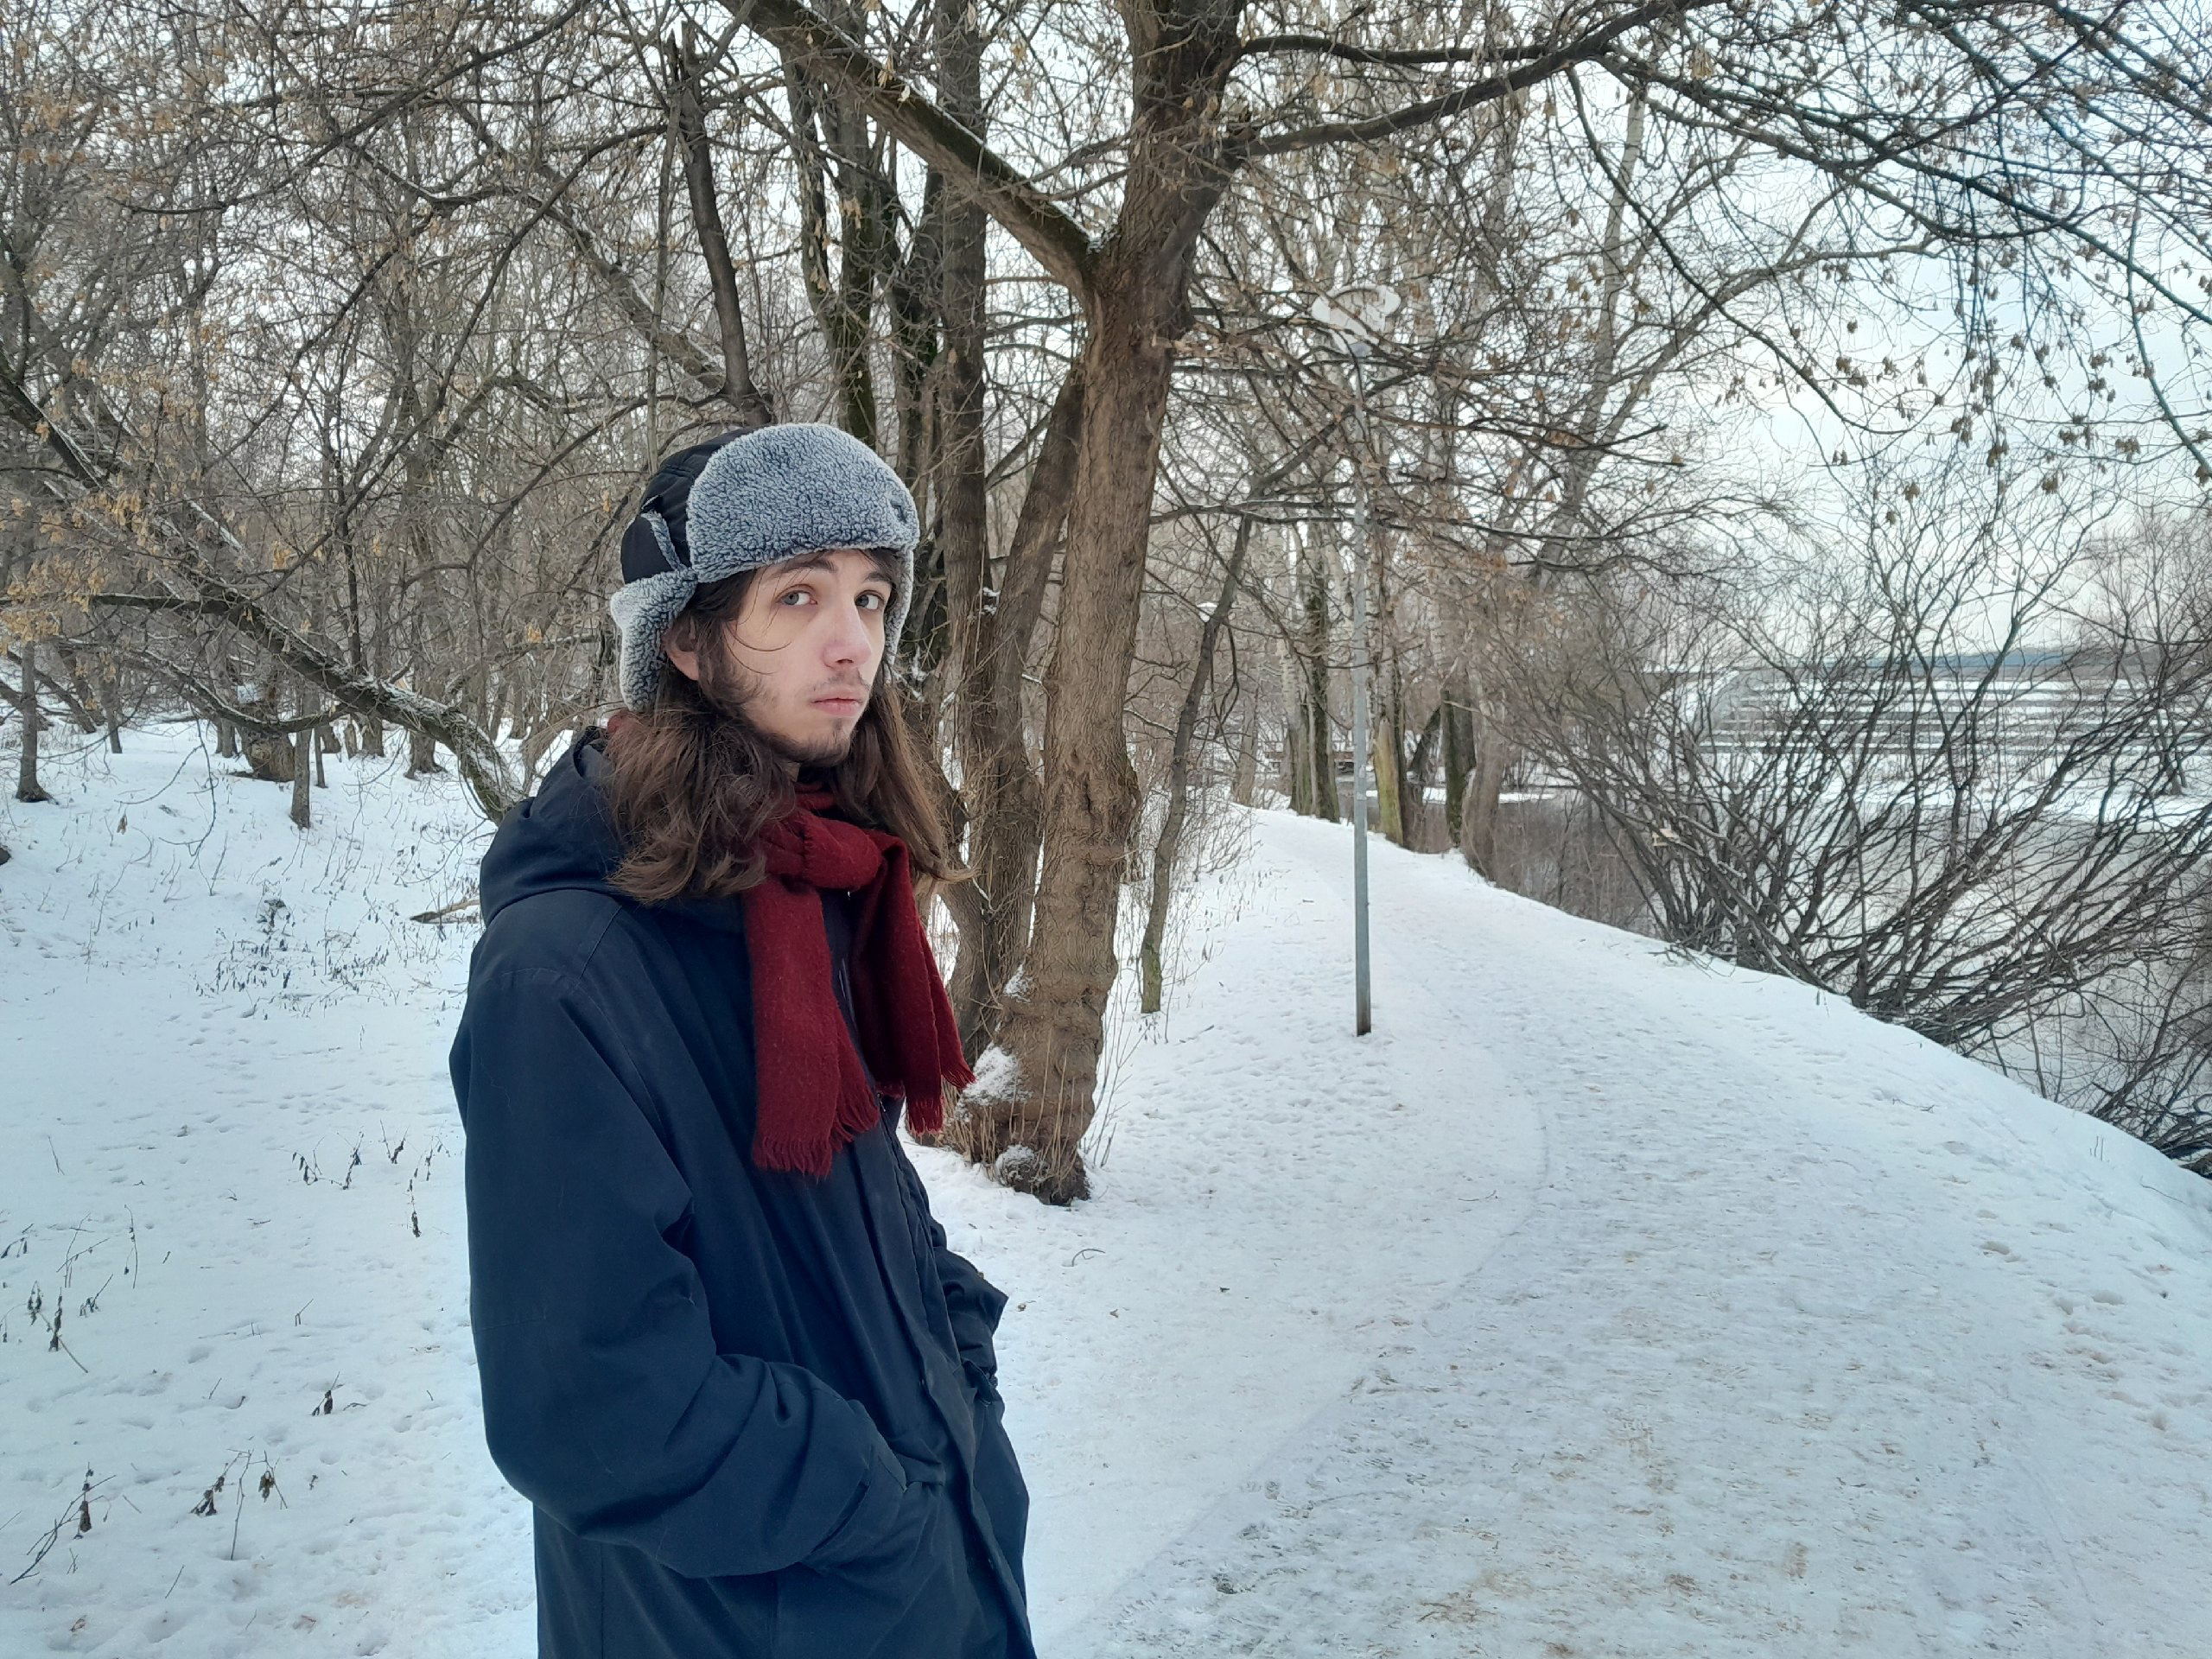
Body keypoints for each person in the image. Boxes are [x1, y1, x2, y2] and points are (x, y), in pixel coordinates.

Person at [448, 423, 1033, 1659]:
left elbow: (858, 1203)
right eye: (798, 596)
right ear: (686, 640)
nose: (853, 641)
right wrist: (868, 1502)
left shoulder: (812, 890)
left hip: (931, 1573)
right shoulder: (566, 972)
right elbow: (592, 1405)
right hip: (756, 1613)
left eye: (872, 597)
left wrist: (956, 1375)